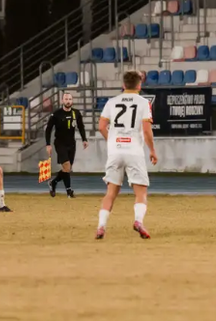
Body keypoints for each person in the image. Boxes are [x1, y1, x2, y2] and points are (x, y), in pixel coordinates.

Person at [96, 70, 158, 240]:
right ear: (139, 85)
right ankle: (138, 221)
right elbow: (147, 131)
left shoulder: (112, 102)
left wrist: (112, 141)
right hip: (134, 151)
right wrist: (152, 150)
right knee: (141, 192)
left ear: (123, 85)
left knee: (111, 192)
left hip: (115, 151)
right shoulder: (143, 103)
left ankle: (101, 226)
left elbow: (101, 126)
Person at [45, 91, 88, 198]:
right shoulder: (56, 114)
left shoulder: (76, 113)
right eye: (66, 99)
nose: (68, 101)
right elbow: (48, 129)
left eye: (70, 99)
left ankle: (53, 182)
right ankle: (69, 191)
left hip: (71, 143)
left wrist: (84, 139)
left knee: (67, 169)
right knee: (67, 166)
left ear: (72, 101)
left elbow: (81, 127)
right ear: (62, 101)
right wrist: (48, 144)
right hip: (60, 143)